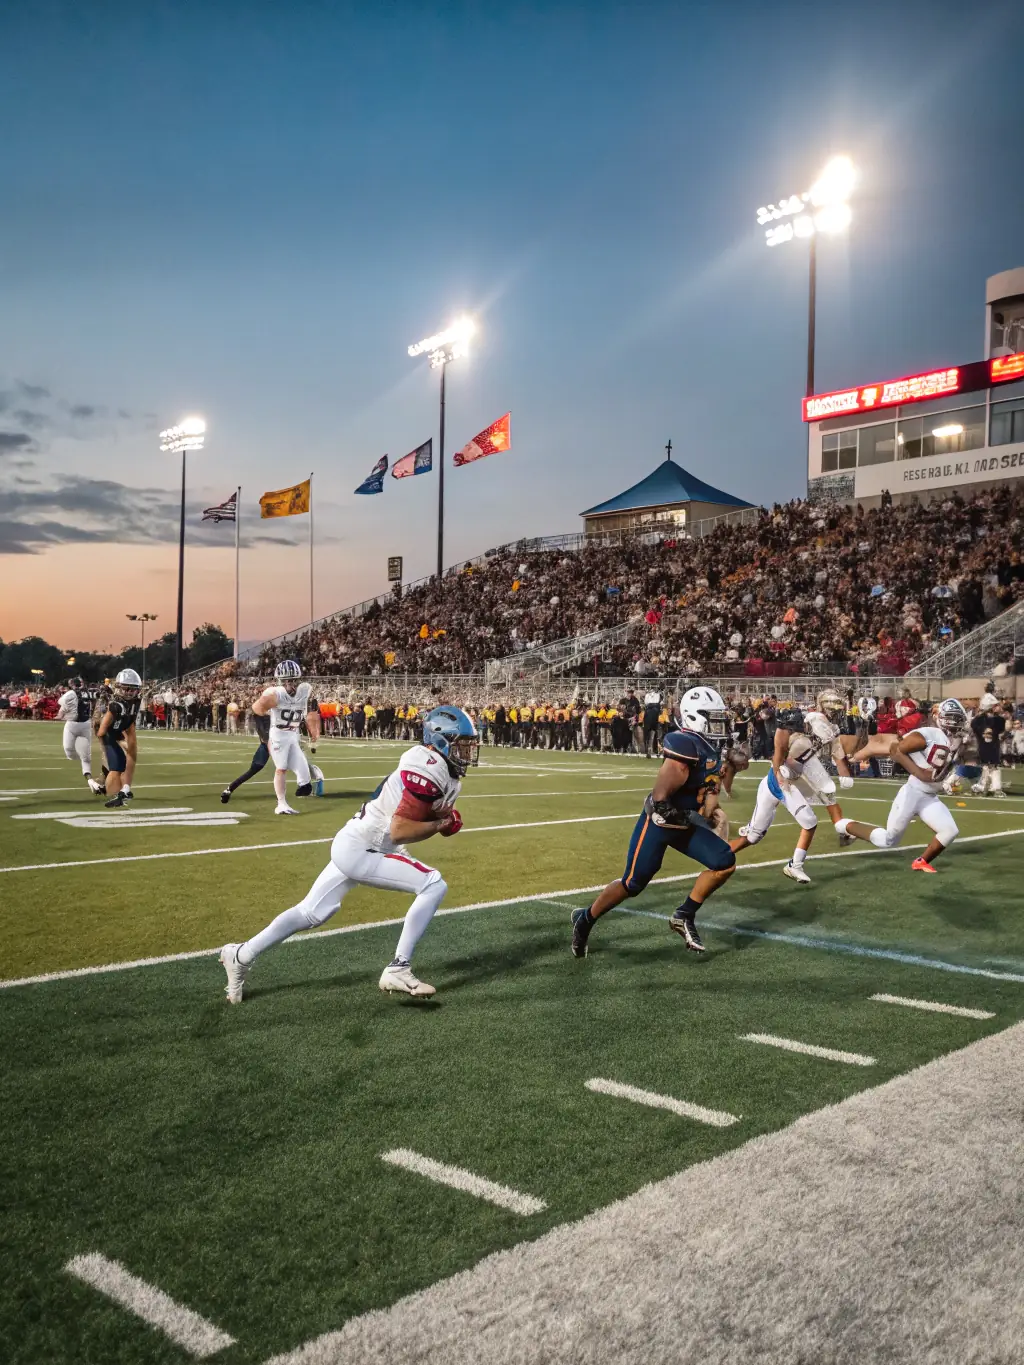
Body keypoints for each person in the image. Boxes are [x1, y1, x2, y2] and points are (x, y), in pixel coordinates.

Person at [219, 706, 479, 1003]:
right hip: (365, 846)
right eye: (462, 744)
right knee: (433, 884)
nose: (468, 751)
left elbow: (411, 815)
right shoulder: (427, 765)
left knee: (312, 911)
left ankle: (240, 954)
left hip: (357, 841)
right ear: (440, 740)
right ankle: (399, 967)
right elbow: (400, 830)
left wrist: (441, 822)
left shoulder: (440, 769)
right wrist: (438, 825)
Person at [570, 686, 736, 959]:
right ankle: (586, 920)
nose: (719, 725)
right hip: (660, 824)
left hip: (685, 823)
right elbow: (660, 801)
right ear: (695, 716)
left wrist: (710, 812)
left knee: (724, 861)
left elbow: (710, 790)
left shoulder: (709, 748)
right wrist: (690, 816)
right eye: (713, 718)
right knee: (633, 883)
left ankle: (684, 915)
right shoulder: (685, 744)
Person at [834, 699, 969, 874]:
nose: (958, 724)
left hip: (929, 797)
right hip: (913, 793)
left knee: (949, 831)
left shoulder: (952, 741)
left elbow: (939, 769)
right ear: (942, 718)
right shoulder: (930, 734)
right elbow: (895, 750)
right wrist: (920, 773)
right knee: (888, 840)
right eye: (954, 719)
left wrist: (947, 781)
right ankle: (844, 826)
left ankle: (921, 862)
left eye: (959, 719)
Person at [732, 694, 854, 885]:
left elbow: (827, 747)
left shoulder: (816, 725)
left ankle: (722, 856)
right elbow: (779, 758)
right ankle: (794, 865)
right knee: (808, 821)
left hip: (788, 780)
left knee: (753, 837)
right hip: (779, 782)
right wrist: (782, 778)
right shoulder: (790, 732)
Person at [251, 661, 322, 815]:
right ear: (281, 681)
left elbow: (311, 711)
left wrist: (313, 731)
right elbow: (256, 709)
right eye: (286, 681)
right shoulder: (275, 694)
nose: (290, 684)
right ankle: (281, 804)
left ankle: (303, 788)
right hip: (279, 733)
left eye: (293, 680)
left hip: (293, 733)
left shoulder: (305, 691)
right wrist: (266, 728)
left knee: (304, 774)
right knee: (281, 768)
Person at [96, 668, 142, 808]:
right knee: (117, 764)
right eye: (126, 689)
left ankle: (125, 789)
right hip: (105, 730)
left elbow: (130, 724)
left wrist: (130, 745)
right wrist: (111, 745)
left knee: (131, 753)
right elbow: (101, 731)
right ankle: (110, 791)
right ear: (118, 688)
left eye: (132, 689)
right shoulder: (114, 704)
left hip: (122, 727)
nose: (129, 692)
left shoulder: (135, 702)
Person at [56, 676, 103, 794]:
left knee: (85, 756)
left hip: (85, 724)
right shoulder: (78, 693)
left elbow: (61, 703)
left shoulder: (85, 692)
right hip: (73, 724)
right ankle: (84, 761)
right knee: (69, 751)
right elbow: (63, 705)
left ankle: (90, 780)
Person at [971, 704, 1007, 797]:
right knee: (989, 767)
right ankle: (991, 788)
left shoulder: (994, 720)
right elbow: (974, 724)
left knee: (990, 767)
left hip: (991, 747)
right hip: (987, 748)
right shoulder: (982, 721)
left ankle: (990, 788)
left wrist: (987, 713)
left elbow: (1001, 724)